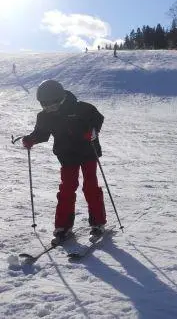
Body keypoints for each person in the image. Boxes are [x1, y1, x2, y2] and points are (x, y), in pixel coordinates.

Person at [22, 80, 107, 243]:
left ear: (60, 99)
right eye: (44, 105)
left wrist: (93, 132)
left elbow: (97, 119)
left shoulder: (82, 108)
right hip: (67, 156)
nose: (49, 109)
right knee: (67, 188)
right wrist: (31, 139)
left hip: (88, 152)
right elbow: (41, 133)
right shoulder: (44, 116)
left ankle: (98, 223)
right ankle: (63, 226)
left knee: (90, 186)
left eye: (52, 105)